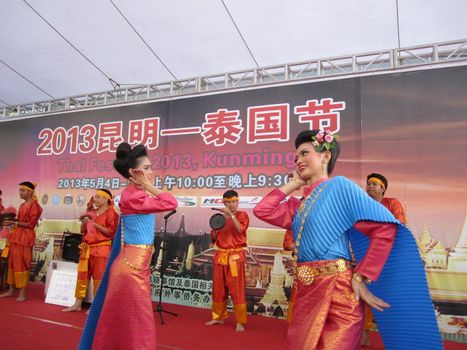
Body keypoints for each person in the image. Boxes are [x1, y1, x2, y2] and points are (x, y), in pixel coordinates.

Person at [253, 129, 441, 350]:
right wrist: (294, 185)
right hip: (306, 292)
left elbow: (384, 230)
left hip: (338, 291)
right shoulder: (299, 204)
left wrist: (361, 276)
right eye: (296, 157)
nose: (298, 161)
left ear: (325, 156)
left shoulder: (340, 187)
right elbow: (262, 210)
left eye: (305, 153)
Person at [78, 143, 178, 350]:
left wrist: (145, 186)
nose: (151, 172)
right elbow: (171, 202)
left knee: (130, 321)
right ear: (134, 172)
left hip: (133, 266)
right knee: (138, 320)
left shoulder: (134, 194)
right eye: (147, 168)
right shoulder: (134, 196)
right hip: (130, 269)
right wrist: (149, 186)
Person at [361, 172, 407, 346]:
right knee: (364, 297)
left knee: (391, 298)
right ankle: (364, 336)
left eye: (374, 184)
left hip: (389, 259)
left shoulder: (392, 203)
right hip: (366, 257)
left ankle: (397, 338)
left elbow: (400, 225)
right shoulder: (361, 206)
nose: (370, 186)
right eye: (368, 184)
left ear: (383, 188)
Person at [63, 189, 119, 312]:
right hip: (87, 248)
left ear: (106, 199)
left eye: (98, 197)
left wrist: (94, 223)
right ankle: (77, 303)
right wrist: (85, 223)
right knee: (82, 276)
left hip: (102, 249)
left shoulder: (112, 213)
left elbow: (111, 232)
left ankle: (96, 306)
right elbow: (84, 231)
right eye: (95, 197)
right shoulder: (92, 212)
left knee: (99, 278)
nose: (95, 199)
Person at [205, 190, 249, 332]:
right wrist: (219, 223)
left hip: (235, 257)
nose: (231, 204)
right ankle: (218, 317)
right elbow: (213, 238)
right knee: (218, 289)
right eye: (228, 202)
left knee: (237, 290)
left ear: (238, 201)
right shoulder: (220, 218)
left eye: (234, 201)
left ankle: (240, 321)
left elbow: (240, 230)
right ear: (223, 203)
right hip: (221, 256)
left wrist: (231, 215)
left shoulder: (242, 215)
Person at [0, 182, 42, 301]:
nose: (20, 192)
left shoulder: (35, 206)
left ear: (30, 192)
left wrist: (15, 222)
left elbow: (31, 224)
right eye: (20, 190)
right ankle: (11, 289)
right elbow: (20, 220)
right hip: (16, 236)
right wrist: (11, 221)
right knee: (12, 263)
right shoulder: (22, 205)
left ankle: (22, 293)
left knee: (23, 264)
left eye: (23, 190)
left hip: (26, 238)